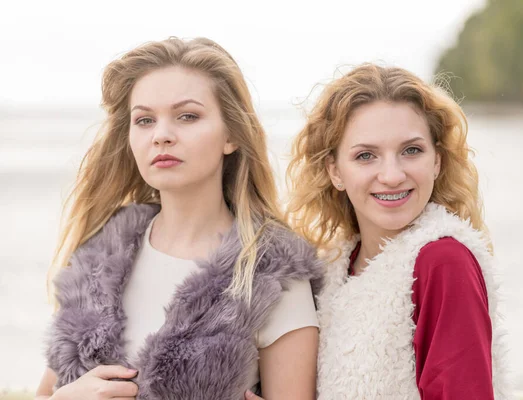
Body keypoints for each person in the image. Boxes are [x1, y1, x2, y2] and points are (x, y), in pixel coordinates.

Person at [34, 37, 319, 400]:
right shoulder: (100, 255)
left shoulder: (270, 271)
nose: (162, 136)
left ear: (231, 135)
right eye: (145, 120)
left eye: (188, 116)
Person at [285, 64, 513, 399]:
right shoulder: (334, 269)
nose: (392, 175)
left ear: (437, 160)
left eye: (411, 150)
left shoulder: (444, 261)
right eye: (366, 156)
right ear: (335, 171)